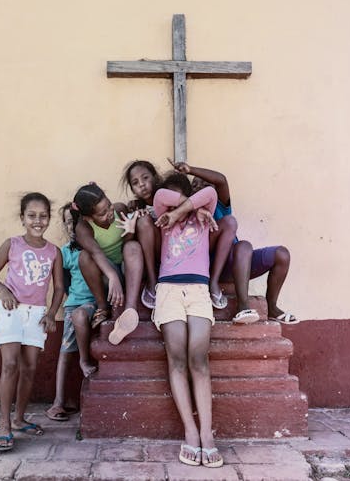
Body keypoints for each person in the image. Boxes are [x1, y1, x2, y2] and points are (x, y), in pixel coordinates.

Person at [152, 172, 224, 468]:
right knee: (177, 358)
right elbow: (161, 198)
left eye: (181, 196)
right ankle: (191, 432)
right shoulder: (163, 216)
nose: (173, 206)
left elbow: (210, 191)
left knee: (199, 358)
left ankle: (208, 435)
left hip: (198, 290)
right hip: (168, 290)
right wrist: (186, 207)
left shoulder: (202, 217)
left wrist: (190, 209)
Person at [169, 161, 298, 325]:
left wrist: (191, 170)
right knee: (239, 239)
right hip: (208, 267)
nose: (201, 187)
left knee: (280, 254)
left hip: (237, 266)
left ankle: (271, 307)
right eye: (195, 185)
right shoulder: (188, 214)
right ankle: (243, 305)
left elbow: (221, 180)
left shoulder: (221, 207)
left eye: (207, 185)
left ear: (215, 192)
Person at [0, 192, 64, 451]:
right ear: (22, 218)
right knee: (10, 365)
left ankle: (19, 419)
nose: (37, 221)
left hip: (37, 314)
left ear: (49, 219)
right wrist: (4, 291)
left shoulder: (54, 251)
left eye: (43, 216)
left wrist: (51, 313)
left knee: (29, 367)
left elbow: (60, 288)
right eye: (32, 216)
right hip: (11, 311)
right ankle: (4, 425)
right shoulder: (12, 244)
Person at [70, 182, 143, 345]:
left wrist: (130, 233)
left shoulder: (119, 209)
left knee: (133, 246)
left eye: (109, 206)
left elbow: (128, 246)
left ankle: (130, 310)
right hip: (106, 273)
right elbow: (96, 253)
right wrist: (112, 277)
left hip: (129, 268)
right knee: (84, 257)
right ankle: (103, 306)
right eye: (102, 213)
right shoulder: (83, 228)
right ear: (89, 217)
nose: (109, 213)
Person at [46, 204, 98, 422]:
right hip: (74, 305)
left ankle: (76, 398)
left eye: (76, 220)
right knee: (66, 353)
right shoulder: (65, 252)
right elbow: (63, 283)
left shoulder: (97, 247)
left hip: (96, 304)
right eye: (68, 221)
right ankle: (58, 401)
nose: (72, 226)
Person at [121, 160, 163, 309]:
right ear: (132, 189)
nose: (142, 185)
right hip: (149, 259)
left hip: (171, 253)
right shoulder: (137, 208)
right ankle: (152, 280)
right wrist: (134, 221)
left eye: (145, 178)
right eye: (135, 182)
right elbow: (127, 243)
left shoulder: (167, 198)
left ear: (155, 177)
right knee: (143, 220)